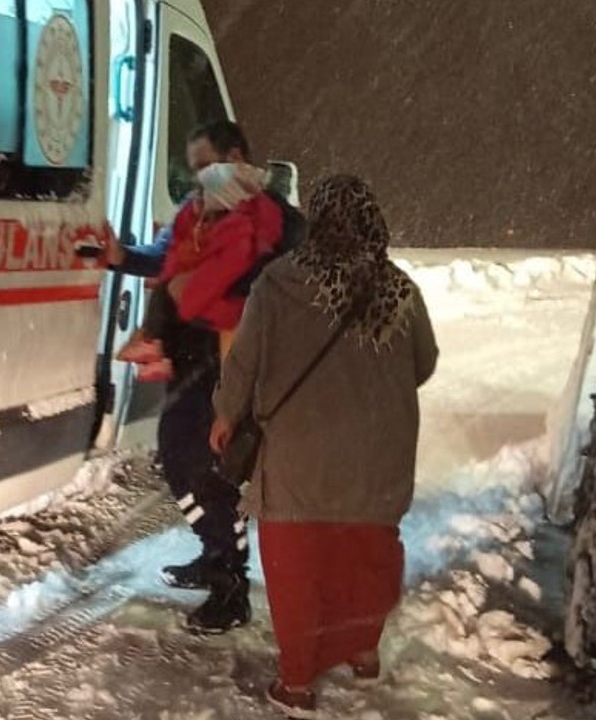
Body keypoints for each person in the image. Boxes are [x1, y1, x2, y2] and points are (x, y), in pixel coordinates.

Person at [210, 175, 439, 717]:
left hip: (299, 455)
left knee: (297, 568)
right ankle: (362, 651)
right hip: (378, 455)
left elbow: (244, 362)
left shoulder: (279, 282)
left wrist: (225, 414)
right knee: (366, 556)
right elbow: (423, 363)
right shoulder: (401, 290)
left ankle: (296, 683)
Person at [107, 120, 269, 633]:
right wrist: (122, 258)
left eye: (205, 165)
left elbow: (261, 285)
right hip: (189, 350)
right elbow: (165, 258)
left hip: (226, 357)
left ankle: (231, 584)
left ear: (235, 157)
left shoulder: (266, 216)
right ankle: (214, 552)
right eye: (194, 168)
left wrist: (189, 288)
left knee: (209, 468)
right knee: (177, 458)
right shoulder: (196, 209)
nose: (198, 177)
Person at [115, 161, 281, 382]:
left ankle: (159, 348)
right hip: (220, 312)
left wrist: (181, 292)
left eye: (201, 195)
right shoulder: (231, 230)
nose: (194, 200)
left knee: (171, 295)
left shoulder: (237, 238)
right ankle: (157, 346)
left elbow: (208, 284)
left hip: (225, 316)